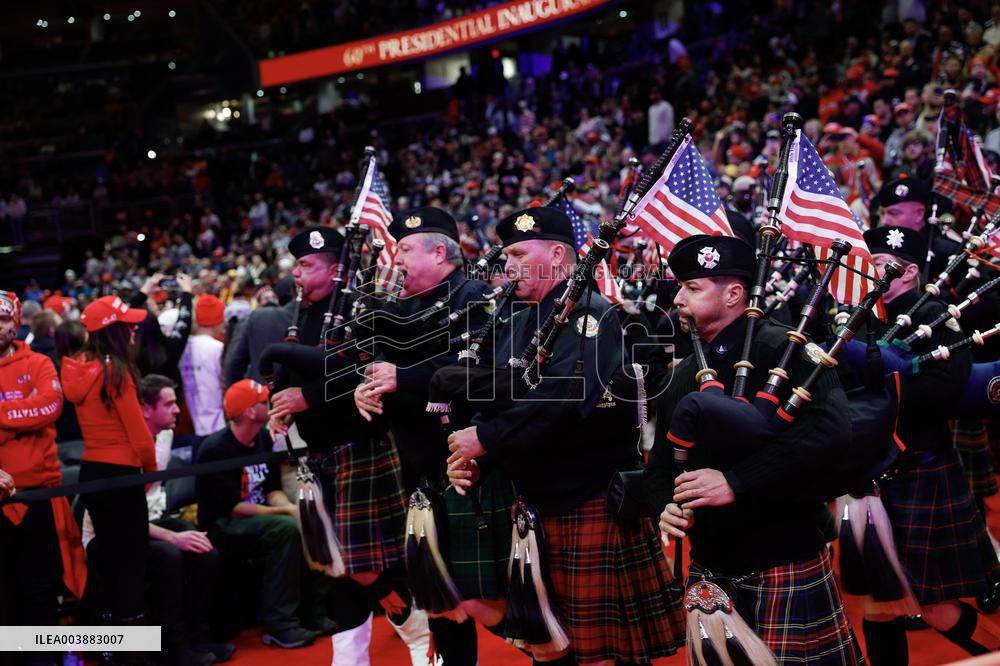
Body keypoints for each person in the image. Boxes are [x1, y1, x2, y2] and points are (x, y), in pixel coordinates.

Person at [446, 207, 685, 665]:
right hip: (536, 501)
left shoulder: (594, 317)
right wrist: (476, 456)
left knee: (601, 656)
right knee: (547, 645)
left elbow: (562, 401)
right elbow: (502, 399)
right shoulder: (516, 320)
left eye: (518, 253)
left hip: (590, 497)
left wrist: (488, 440)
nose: (507, 264)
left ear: (557, 255)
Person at [646, 235, 863, 664]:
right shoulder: (687, 370)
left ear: (733, 294)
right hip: (711, 564)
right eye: (680, 287)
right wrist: (662, 505)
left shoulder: (783, 347)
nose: (679, 299)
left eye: (693, 287)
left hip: (781, 552)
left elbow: (830, 430)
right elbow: (661, 466)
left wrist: (736, 481)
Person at [354, 207, 510, 664]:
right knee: (440, 597)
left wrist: (400, 377)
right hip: (419, 468)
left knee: (488, 598)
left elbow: (473, 370)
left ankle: (549, 653)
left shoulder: (476, 297)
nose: (396, 259)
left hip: (470, 468)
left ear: (439, 251)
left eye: (404, 249)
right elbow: (379, 367)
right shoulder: (401, 308)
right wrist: (366, 392)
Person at [267, 226, 423, 665]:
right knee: (338, 569)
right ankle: (350, 659)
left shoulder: (361, 310)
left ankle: (416, 628)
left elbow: (364, 372)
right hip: (318, 455)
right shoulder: (297, 315)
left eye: (305, 265)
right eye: (296, 264)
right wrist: (277, 403)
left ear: (335, 269)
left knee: (364, 564)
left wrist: (307, 398)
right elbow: (289, 367)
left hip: (360, 445)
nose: (296, 273)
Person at [857, 226, 1000, 663]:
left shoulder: (935, 314)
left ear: (911, 271)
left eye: (883, 264)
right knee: (878, 605)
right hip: (871, 477)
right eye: (873, 262)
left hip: (919, 466)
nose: (874, 271)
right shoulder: (866, 316)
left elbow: (945, 387)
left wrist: (876, 392)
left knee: (933, 605)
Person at [81, 374, 234, 666]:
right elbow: (124, 520)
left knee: (205, 550)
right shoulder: (122, 445)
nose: (178, 410)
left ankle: (196, 635)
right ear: (146, 410)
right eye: (170, 404)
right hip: (109, 533)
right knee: (169, 555)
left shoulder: (164, 434)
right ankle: (169, 648)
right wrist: (173, 537)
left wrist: (177, 534)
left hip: (149, 520)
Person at [195, 379, 316, 649]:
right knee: (285, 527)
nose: (269, 403)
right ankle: (280, 624)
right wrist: (285, 510)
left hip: (259, 517)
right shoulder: (215, 449)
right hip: (224, 524)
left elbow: (272, 489)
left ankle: (313, 613)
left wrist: (290, 508)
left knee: (303, 518)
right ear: (250, 412)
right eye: (263, 401)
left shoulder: (262, 438)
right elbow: (232, 508)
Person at [61, 295, 155, 640]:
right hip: (122, 473)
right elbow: (140, 435)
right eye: (126, 324)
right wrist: (151, 469)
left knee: (109, 558)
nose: (133, 329)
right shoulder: (116, 371)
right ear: (112, 331)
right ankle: (133, 649)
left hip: (92, 473)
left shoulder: (76, 366)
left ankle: (105, 642)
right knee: (131, 561)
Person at [0, 290, 85, 666]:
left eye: (4, 319)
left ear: (15, 322)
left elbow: (49, 407)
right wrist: (18, 415)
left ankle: (43, 658)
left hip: (38, 497)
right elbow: (31, 411)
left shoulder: (39, 363)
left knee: (40, 587)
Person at [180, 294, 226, 435]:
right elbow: (224, 384)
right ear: (218, 319)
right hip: (217, 425)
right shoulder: (217, 348)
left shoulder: (183, 347)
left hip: (190, 426)